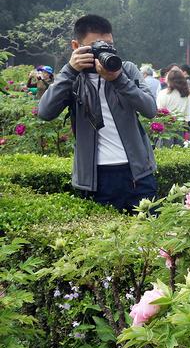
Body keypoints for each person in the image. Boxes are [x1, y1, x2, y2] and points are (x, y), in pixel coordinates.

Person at [38, 14, 157, 213]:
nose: (103, 50)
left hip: (138, 174)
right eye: (96, 46)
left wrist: (118, 79)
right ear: (76, 46)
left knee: (150, 240)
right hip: (97, 178)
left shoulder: (126, 70)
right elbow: (45, 112)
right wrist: (69, 70)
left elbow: (150, 109)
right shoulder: (73, 79)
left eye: (108, 45)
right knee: (104, 242)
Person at [156, 69, 190, 145]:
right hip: (181, 126)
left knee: (166, 149)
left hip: (167, 125)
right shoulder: (186, 94)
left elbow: (159, 112)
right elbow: (187, 114)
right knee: (178, 150)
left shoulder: (163, 93)